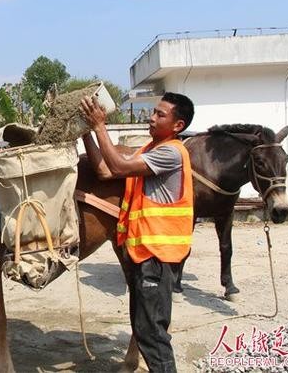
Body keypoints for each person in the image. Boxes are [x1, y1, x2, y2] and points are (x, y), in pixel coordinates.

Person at [79, 91, 195, 373]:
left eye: (160, 114)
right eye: (153, 112)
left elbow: (118, 165)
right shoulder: (149, 150)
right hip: (142, 255)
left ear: (177, 125)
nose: (151, 118)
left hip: (158, 255)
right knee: (144, 328)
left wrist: (99, 126)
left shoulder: (171, 153)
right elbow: (106, 171)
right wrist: (85, 133)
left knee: (152, 333)